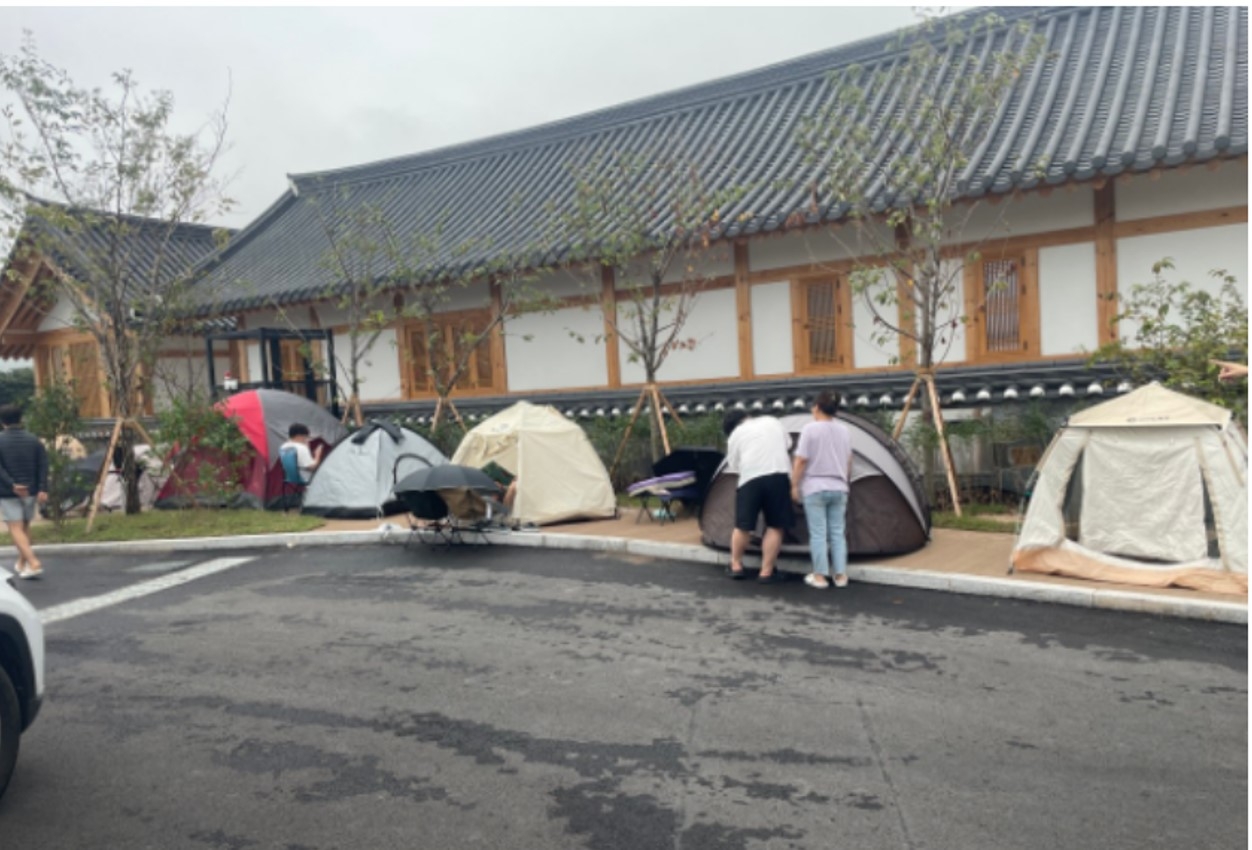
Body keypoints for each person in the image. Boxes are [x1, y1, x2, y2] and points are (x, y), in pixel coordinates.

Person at [722, 409, 793, 584]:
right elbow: (788, 444)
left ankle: (736, 565)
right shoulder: (772, 420)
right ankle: (766, 572)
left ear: (731, 428)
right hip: (778, 474)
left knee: (743, 526)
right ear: (748, 416)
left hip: (750, 479)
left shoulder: (735, 435)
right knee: (775, 525)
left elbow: (734, 464)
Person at [791, 391, 853, 590]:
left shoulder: (810, 429)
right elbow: (848, 460)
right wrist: (846, 482)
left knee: (818, 533)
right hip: (839, 487)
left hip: (815, 487)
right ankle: (841, 575)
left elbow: (801, 459)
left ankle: (820, 576)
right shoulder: (844, 430)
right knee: (837, 533)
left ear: (817, 407)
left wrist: (793, 484)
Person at [0, 404, 48, 579]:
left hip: (8, 492)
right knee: (25, 526)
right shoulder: (33, 439)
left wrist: (12, 484)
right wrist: (43, 488)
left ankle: (33, 562)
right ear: (21, 419)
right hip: (31, 490)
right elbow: (43, 464)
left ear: (2, 421)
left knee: (15, 527)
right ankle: (22, 563)